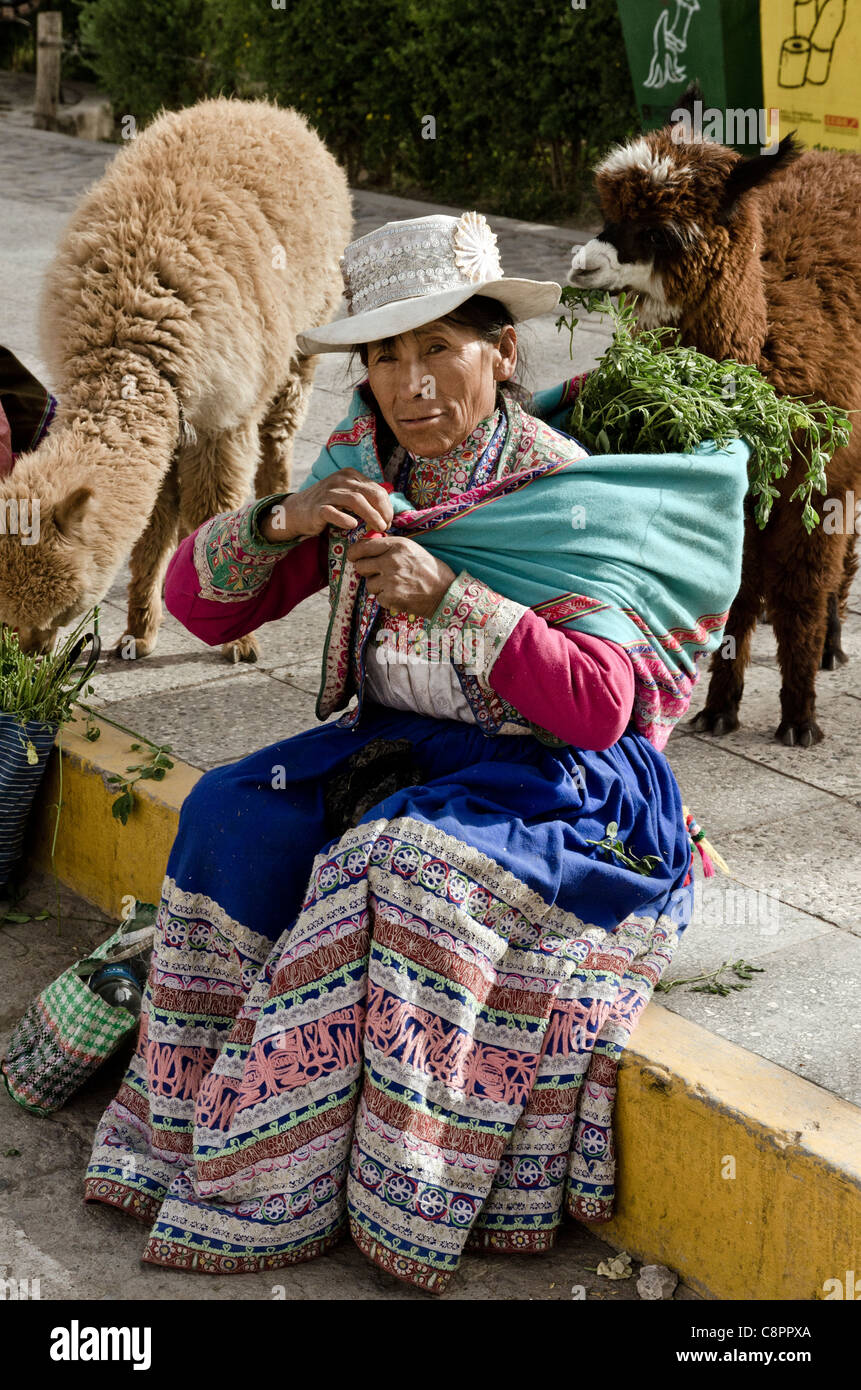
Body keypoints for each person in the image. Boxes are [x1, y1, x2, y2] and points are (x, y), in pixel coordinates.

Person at [84, 212, 747, 1292]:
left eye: (440, 345)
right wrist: (288, 519)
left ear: (503, 352)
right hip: (396, 747)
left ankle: (395, 1189)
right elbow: (193, 607)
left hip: (550, 775)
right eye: (386, 355)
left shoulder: (559, 492)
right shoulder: (361, 469)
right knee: (228, 809)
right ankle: (196, 1129)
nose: (412, 380)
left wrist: (456, 598)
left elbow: (600, 704)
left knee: (403, 870)